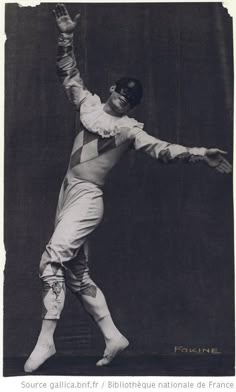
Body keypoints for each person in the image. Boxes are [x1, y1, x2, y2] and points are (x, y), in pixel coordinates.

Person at [24, 4, 232, 373]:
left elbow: (162, 148)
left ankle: (46, 342)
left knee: (50, 260)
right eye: (122, 93)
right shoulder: (88, 104)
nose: (124, 100)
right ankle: (113, 336)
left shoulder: (129, 130)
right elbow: (67, 72)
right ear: (112, 89)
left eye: (131, 99)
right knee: (76, 275)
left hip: (88, 199)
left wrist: (200, 154)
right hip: (67, 193)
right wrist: (66, 34)